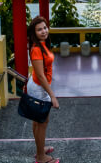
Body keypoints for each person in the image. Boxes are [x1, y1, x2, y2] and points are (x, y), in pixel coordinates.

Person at [27, 16, 60, 163]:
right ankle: (41, 157)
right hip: (39, 87)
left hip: (36, 85)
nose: (43, 31)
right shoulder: (36, 49)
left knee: (38, 122)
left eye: (45, 28)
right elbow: (41, 76)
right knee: (42, 121)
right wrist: (52, 95)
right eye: (39, 29)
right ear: (34, 32)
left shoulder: (41, 45)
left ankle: (40, 149)